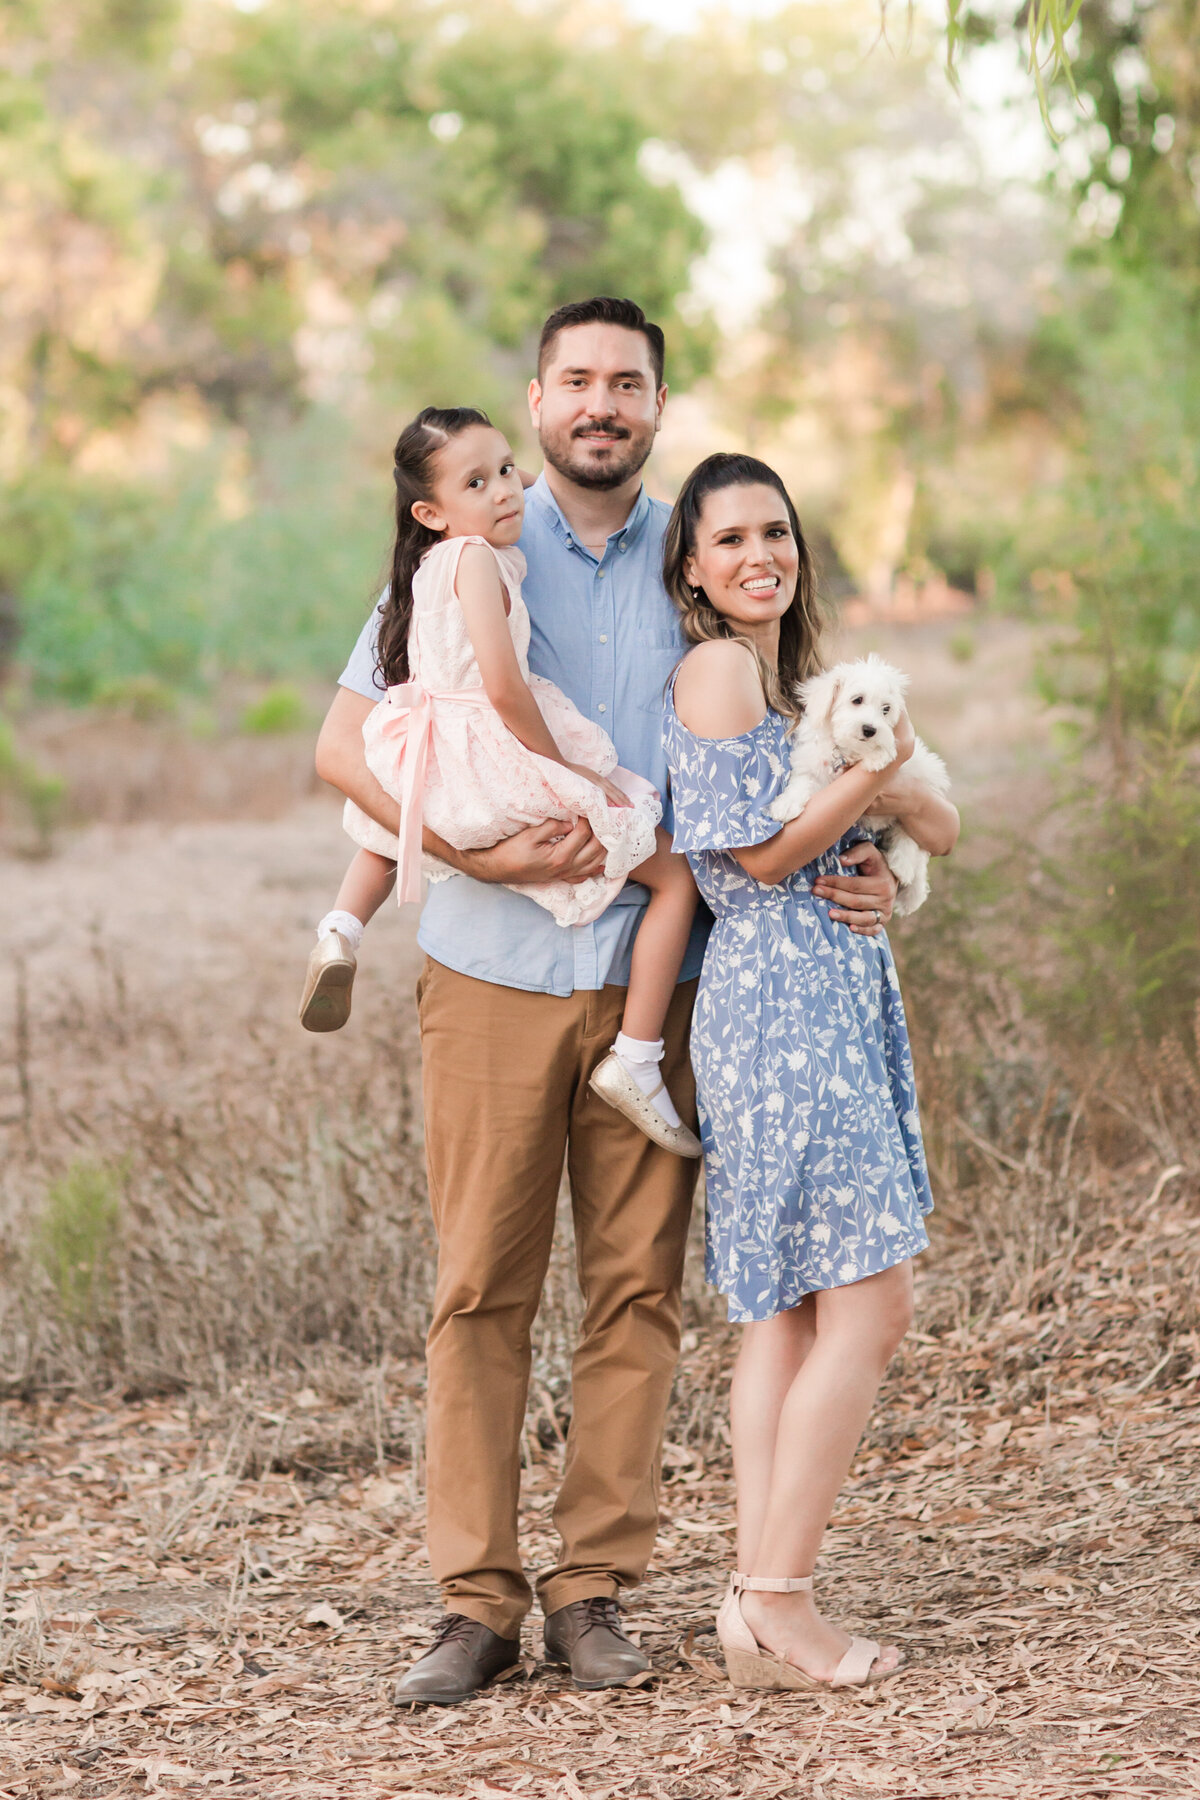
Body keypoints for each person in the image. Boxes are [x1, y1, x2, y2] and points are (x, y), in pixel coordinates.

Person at [314, 300, 901, 1705]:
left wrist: (867, 865)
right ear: (533, 401)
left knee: (635, 1292)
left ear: (653, 405)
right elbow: (348, 743)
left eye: (626, 384)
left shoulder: (698, 558)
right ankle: (475, 1601)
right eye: (576, 380)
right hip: (492, 973)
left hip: (667, 978)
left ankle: (594, 1589)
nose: (600, 404)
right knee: (478, 1289)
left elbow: (789, 751)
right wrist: (463, 843)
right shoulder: (472, 545)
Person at [661, 452, 960, 1691]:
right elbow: (763, 859)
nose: (756, 556)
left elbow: (939, 821)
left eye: (774, 533)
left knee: (788, 1306)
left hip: (821, 998)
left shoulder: (808, 682)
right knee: (870, 1301)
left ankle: (755, 1604)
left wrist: (888, 832)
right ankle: (780, 1597)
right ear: (691, 565)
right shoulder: (723, 669)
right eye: (727, 539)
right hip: (779, 1008)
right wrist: (871, 786)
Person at [299, 403, 700, 1155]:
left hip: (428, 730)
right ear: (431, 511)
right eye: (477, 482)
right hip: (492, 737)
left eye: (506, 471)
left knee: (398, 818)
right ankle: (638, 1059)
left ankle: (341, 929)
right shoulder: (477, 560)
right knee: (672, 873)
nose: (504, 491)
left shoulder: (427, 565)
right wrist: (570, 769)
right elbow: (506, 686)